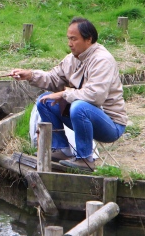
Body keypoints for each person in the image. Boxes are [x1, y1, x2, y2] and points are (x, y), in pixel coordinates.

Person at [9, 17, 127, 172]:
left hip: (111, 124)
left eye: (74, 39)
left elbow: (95, 96)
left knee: (79, 106)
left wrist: (63, 94)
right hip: (85, 118)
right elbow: (52, 78)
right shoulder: (71, 59)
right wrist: (30, 75)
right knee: (44, 101)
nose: (70, 43)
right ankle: (61, 150)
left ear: (88, 39)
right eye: (69, 39)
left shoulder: (102, 60)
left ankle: (85, 160)